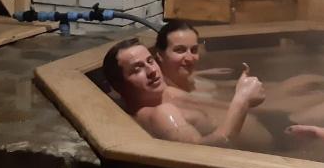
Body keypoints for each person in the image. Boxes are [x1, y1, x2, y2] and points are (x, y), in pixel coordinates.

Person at [152, 19, 324, 125]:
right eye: (180, 50)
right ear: (160, 55)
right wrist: (283, 105)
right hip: (268, 119)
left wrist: (216, 79)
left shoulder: (190, 78)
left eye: (194, 50)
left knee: (305, 80)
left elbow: (224, 92)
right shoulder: (173, 95)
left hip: (253, 107)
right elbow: (237, 108)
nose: (190, 57)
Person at [102, 37, 265, 146]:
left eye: (150, 61)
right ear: (119, 86)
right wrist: (242, 100)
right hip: (261, 157)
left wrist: (200, 74)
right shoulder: (162, 114)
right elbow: (201, 154)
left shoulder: (160, 93)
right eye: (137, 69)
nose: (152, 71)